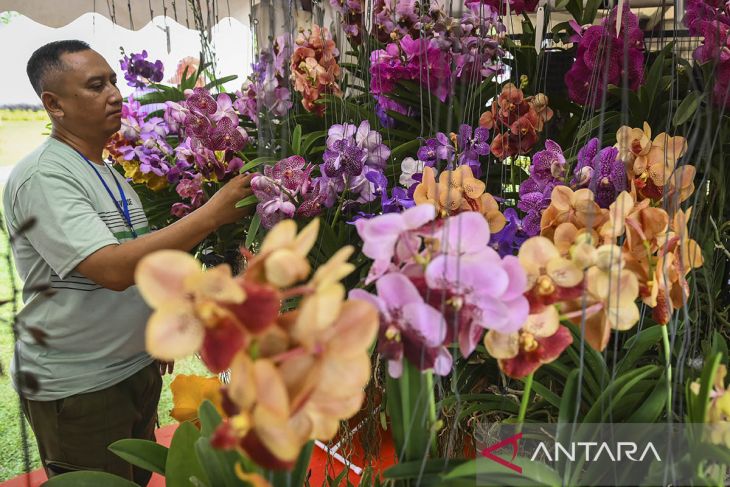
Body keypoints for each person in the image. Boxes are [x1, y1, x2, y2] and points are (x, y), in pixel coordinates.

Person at [2, 40, 253, 484]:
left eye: (114, 82)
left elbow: (145, 263)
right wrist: (211, 214)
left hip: (130, 367)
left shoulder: (107, 171)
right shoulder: (46, 175)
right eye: (96, 86)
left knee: (133, 477)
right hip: (80, 383)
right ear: (53, 104)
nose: (115, 94)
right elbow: (112, 268)